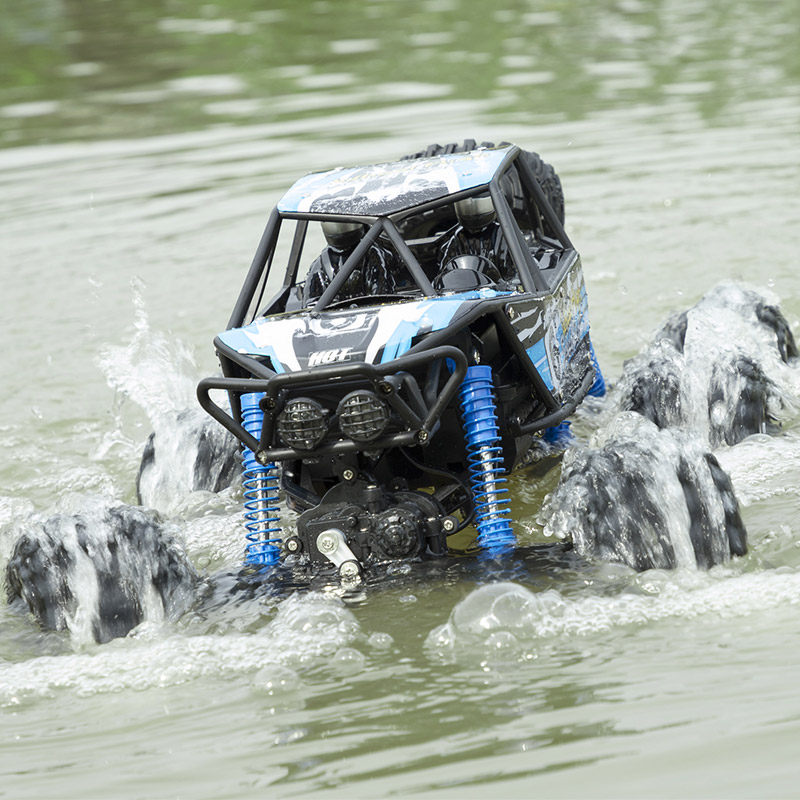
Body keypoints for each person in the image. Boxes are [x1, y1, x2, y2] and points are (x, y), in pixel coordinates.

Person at [303, 221, 397, 304]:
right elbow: (309, 305)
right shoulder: (320, 264)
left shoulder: (372, 255)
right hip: (336, 318)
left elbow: (381, 295)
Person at [437, 195, 514, 282]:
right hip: (464, 291)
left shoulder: (506, 235)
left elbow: (519, 275)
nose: (471, 202)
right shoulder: (457, 238)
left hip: (502, 292)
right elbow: (444, 278)